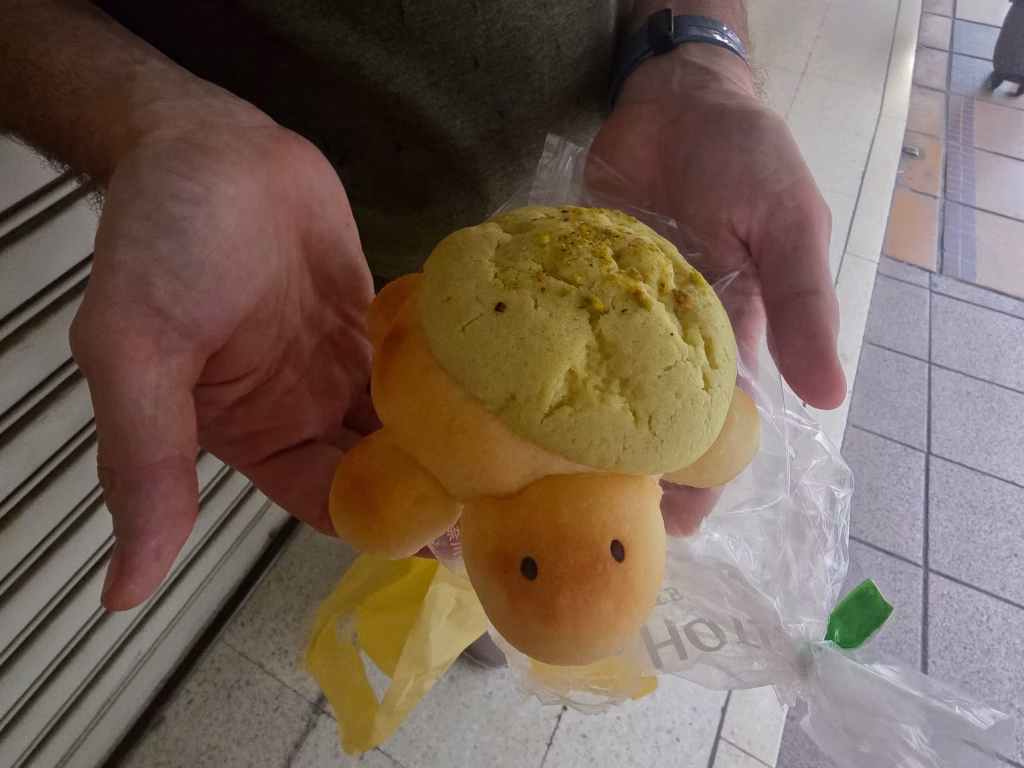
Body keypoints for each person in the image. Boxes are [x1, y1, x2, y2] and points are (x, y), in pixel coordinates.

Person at [0, 0, 845, 614]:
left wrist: (694, 50)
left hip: (621, 169)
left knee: (421, 530)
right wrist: (144, 114)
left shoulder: (676, 415)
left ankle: (479, 595)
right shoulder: (388, 348)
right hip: (309, 275)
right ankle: (478, 583)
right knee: (398, 502)